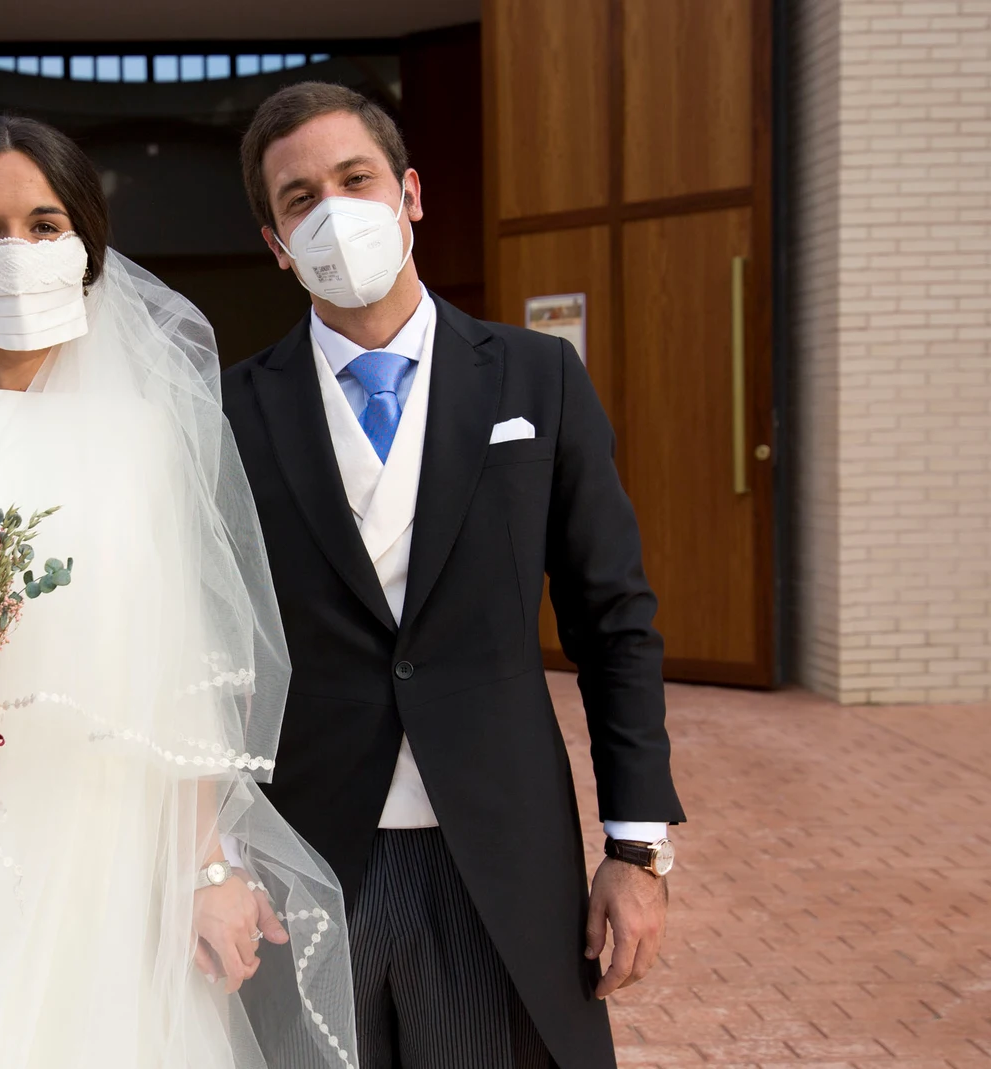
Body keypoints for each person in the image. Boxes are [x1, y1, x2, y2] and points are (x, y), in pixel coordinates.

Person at [0, 116, 360, 1068]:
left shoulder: (142, 436)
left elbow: (186, 673)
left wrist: (207, 867)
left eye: (43, 223)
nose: (12, 250)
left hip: (111, 842)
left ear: (87, 249)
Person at [222, 83, 687, 1069]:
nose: (334, 210)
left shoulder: (534, 379)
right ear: (273, 241)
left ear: (410, 195)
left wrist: (637, 848)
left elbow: (614, 620)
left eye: (355, 179)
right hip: (306, 859)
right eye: (301, 198)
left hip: (495, 852)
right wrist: (210, 862)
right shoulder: (229, 411)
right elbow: (201, 649)